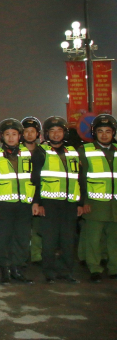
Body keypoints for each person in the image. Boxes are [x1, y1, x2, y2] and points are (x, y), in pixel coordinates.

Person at [30, 116, 82, 284]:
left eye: (59, 130)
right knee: (50, 241)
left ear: (64, 133)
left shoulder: (72, 151)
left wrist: (80, 203)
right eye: (52, 131)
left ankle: (66, 272)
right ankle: (50, 273)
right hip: (49, 204)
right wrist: (38, 203)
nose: (56, 134)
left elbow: (79, 178)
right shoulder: (41, 152)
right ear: (46, 134)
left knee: (68, 241)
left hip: (69, 204)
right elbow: (35, 179)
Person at [0, 119, 35, 284]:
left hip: (24, 205)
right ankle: (5, 270)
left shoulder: (27, 154)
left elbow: (34, 179)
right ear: (2, 136)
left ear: (19, 136)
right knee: (3, 238)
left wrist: (35, 202)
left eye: (14, 134)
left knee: (22, 238)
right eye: (7, 134)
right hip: (3, 205)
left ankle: (17, 269)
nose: (11, 137)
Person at [77, 114, 117, 282]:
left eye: (108, 131)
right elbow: (80, 179)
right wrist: (83, 202)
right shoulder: (85, 150)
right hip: (95, 203)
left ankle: (114, 267)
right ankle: (95, 268)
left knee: (113, 239)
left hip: (114, 204)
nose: (104, 135)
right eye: (100, 131)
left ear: (113, 133)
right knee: (93, 238)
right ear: (94, 133)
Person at [21, 116, 44, 265]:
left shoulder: (44, 152)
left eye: (32, 131)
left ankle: (37, 256)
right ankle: (22, 256)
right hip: (21, 195)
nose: (29, 134)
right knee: (22, 229)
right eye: (26, 131)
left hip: (39, 193)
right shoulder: (15, 151)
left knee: (38, 229)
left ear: (38, 134)